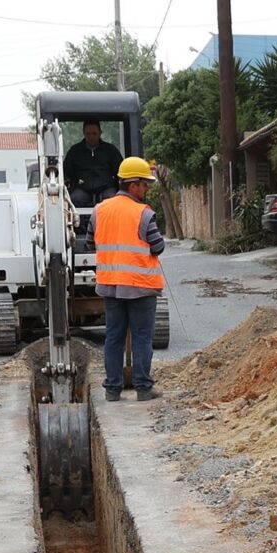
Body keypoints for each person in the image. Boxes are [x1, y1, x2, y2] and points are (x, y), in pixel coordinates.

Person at [94, 157, 167, 402]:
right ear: (133, 184)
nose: (146, 189)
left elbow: (88, 241)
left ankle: (112, 390)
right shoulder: (143, 214)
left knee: (113, 337)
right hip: (139, 286)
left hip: (110, 286)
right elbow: (157, 246)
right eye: (145, 184)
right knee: (142, 338)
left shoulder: (100, 210)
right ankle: (143, 388)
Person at [61, 122, 123, 209]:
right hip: (82, 188)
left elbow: (120, 169)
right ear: (84, 133)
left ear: (100, 133)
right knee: (73, 199)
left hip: (106, 188)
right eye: (88, 134)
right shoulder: (75, 151)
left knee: (113, 200)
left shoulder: (110, 150)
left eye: (94, 133)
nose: (91, 137)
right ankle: (79, 223)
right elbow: (66, 171)